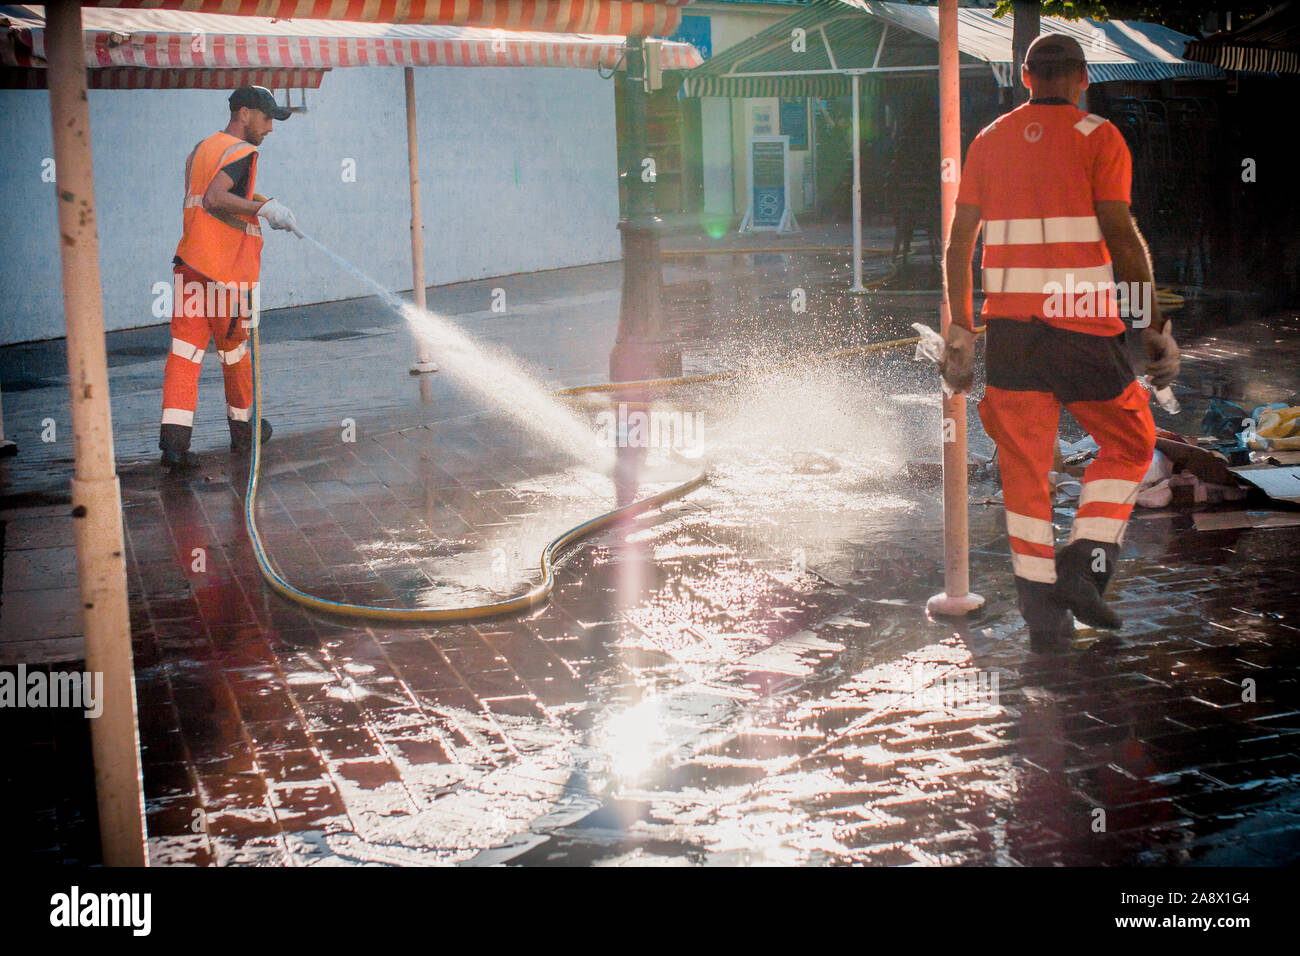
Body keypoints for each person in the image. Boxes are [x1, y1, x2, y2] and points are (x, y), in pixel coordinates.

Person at [941, 34, 1180, 651]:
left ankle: (1042, 615)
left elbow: (958, 244)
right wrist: (1150, 326)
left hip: (1014, 338)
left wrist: (964, 330)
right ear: (1082, 78)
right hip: (1084, 330)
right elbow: (1122, 239)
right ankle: (1087, 564)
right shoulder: (1100, 137)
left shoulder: (988, 141)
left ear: (1025, 77)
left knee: (1024, 471)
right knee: (1130, 441)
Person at [160, 85, 301, 470]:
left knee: (184, 355)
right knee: (234, 352)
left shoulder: (202, 148)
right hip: (225, 274)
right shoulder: (242, 152)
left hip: (191, 265)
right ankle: (244, 432)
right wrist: (263, 213)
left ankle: (174, 446)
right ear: (244, 114)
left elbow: (210, 199)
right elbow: (216, 198)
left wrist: (265, 203)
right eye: (266, 117)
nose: (270, 127)